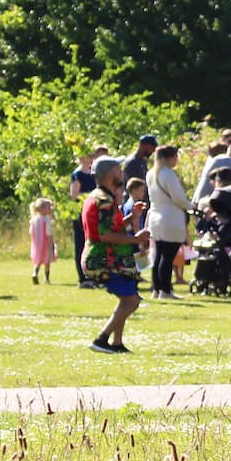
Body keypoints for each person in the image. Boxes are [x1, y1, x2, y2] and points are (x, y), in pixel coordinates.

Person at [84, 157, 149, 354]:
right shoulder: (104, 201)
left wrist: (132, 217)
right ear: (110, 174)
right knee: (131, 301)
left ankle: (117, 343)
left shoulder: (102, 197)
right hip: (105, 259)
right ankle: (101, 339)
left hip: (109, 258)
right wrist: (135, 239)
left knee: (126, 299)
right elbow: (105, 235)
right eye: (118, 169)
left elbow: (113, 227)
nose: (121, 173)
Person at [146, 145, 191, 299]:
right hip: (170, 218)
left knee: (159, 255)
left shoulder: (151, 174)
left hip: (156, 218)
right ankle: (165, 290)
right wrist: (190, 206)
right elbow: (178, 198)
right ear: (170, 157)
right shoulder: (168, 174)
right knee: (168, 256)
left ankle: (157, 288)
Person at [68, 148, 103, 287]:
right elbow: (74, 195)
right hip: (81, 213)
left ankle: (95, 275)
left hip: (94, 212)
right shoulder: (78, 175)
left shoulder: (94, 174)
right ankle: (83, 278)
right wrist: (92, 196)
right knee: (81, 244)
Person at [28, 196, 57, 285]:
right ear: (43, 209)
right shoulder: (47, 220)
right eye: (49, 207)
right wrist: (51, 243)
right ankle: (47, 279)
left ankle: (35, 273)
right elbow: (49, 232)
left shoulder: (34, 219)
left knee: (38, 260)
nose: (50, 209)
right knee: (47, 262)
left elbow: (31, 232)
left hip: (37, 244)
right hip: (46, 244)